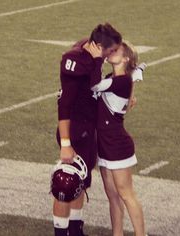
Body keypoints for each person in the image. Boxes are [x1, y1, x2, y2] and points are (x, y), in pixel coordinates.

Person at [54, 23, 122, 236]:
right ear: (99, 46)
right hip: (74, 129)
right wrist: (65, 144)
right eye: (111, 51)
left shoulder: (94, 50)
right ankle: (60, 232)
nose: (113, 54)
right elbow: (64, 106)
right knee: (65, 184)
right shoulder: (75, 60)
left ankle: (75, 229)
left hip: (88, 126)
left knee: (81, 181)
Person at [90, 41, 146, 236]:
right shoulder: (114, 78)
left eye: (116, 51)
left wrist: (97, 59)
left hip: (117, 144)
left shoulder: (122, 82)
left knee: (126, 194)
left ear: (125, 58)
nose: (110, 52)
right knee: (112, 196)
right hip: (104, 144)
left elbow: (94, 85)